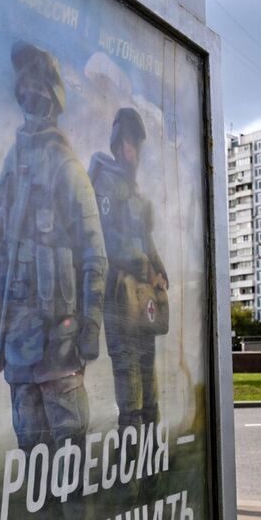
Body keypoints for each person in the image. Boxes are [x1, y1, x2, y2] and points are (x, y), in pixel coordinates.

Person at [0, 41, 107, 456]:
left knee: (69, 455)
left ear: (52, 99)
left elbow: (94, 257)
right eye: (25, 90)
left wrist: (89, 329)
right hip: (19, 344)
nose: (30, 97)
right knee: (32, 455)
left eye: (39, 90)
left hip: (60, 344)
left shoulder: (67, 169)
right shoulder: (11, 170)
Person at [89, 107, 168, 432]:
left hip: (143, 300)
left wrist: (160, 271)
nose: (131, 151)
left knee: (149, 385)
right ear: (116, 144)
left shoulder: (134, 191)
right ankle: (131, 471)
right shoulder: (105, 182)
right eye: (126, 143)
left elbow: (145, 238)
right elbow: (111, 238)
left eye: (135, 144)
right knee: (130, 385)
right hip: (120, 297)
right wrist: (147, 267)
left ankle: (148, 474)